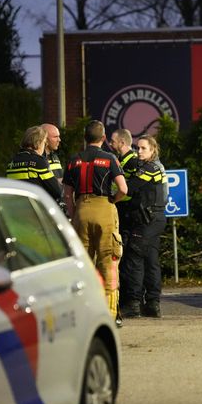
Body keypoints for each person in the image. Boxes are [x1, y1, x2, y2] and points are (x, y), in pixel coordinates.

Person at [63, 120, 127, 323]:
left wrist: (74, 215)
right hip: (104, 210)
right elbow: (123, 189)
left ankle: (84, 314)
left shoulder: (74, 160)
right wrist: (112, 200)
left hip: (81, 210)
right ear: (104, 138)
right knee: (108, 262)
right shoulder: (109, 159)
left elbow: (67, 195)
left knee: (83, 264)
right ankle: (108, 315)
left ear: (85, 138)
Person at [120, 135, 168, 318]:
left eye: (143, 148)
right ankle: (153, 304)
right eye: (137, 148)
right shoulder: (155, 166)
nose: (138, 151)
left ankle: (134, 303)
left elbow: (130, 188)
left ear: (153, 150)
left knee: (134, 257)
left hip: (148, 220)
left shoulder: (150, 168)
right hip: (154, 219)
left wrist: (113, 194)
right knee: (151, 259)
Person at [6, 126, 62, 202]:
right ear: (38, 142)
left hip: (16, 206)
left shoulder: (12, 161)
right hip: (34, 208)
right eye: (44, 143)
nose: (44, 146)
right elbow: (57, 191)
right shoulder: (39, 161)